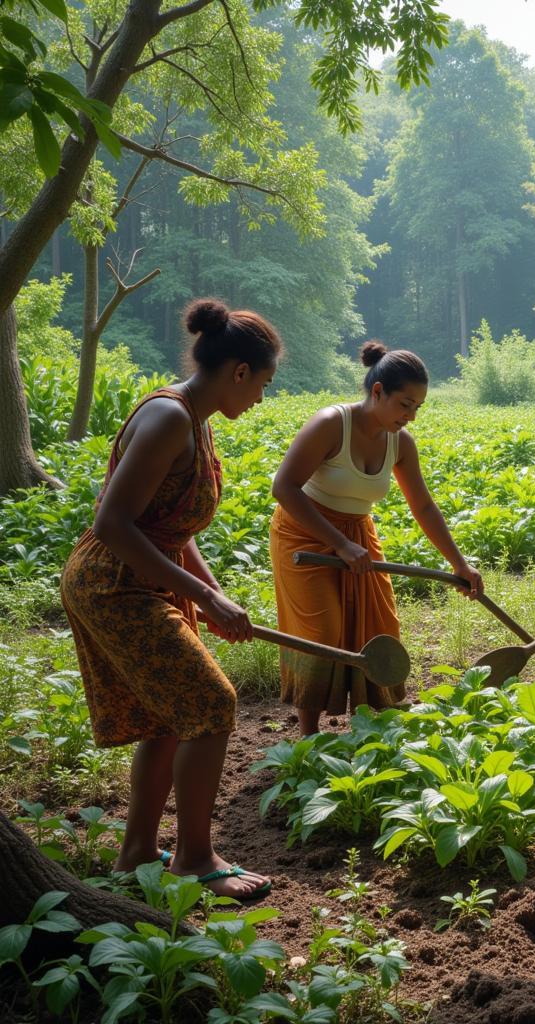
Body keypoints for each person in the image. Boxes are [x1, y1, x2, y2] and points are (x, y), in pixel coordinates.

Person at [60, 299, 278, 898]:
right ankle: (195, 859)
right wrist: (201, 595)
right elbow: (114, 524)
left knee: (170, 714)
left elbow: (171, 530)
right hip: (115, 585)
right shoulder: (169, 419)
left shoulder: (196, 421)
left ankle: (134, 855)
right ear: (238, 371)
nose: (260, 397)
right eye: (262, 383)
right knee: (211, 705)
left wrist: (210, 595)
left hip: (143, 577)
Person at [270, 341, 482, 736]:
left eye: (418, 407)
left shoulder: (400, 444)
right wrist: (339, 543)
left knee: (379, 627)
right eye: (405, 404)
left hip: (357, 536)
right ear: (378, 391)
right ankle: (308, 735)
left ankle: (373, 723)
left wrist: (459, 563)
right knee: (322, 630)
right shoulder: (331, 424)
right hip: (304, 533)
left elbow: (424, 507)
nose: (411, 417)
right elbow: (284, 488)